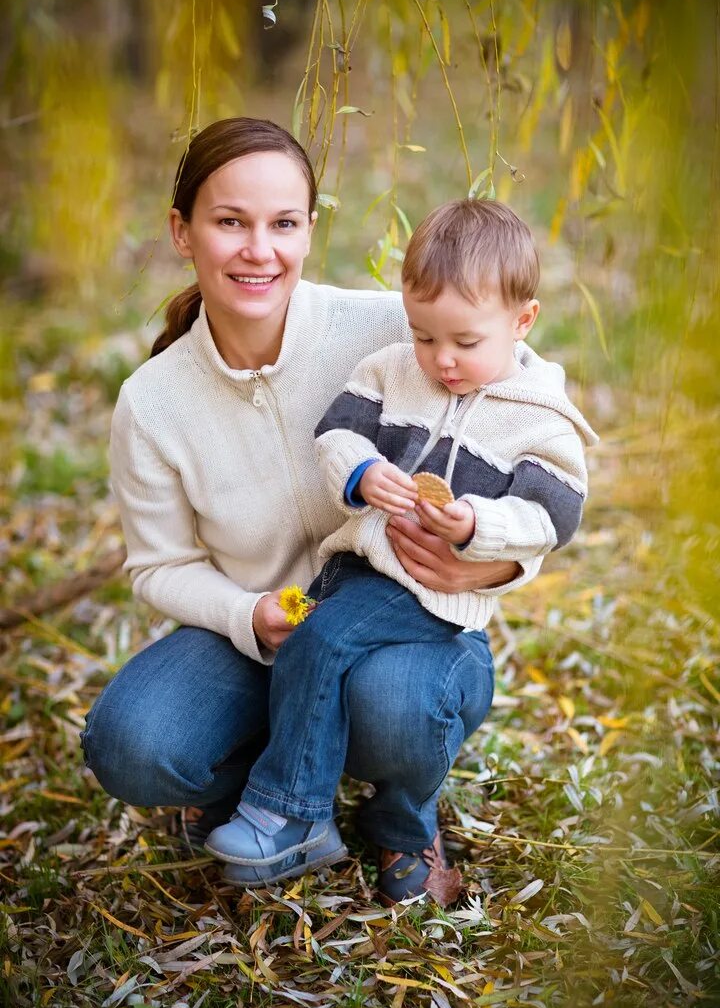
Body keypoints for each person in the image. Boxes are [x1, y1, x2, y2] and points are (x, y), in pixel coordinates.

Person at [81, 117, 543, 906]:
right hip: (263, 634)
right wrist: (247, 613)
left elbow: (521, 399)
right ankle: (269, 778)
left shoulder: (386, 328)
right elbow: (159, 565)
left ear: (308, 231)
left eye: (283, 224)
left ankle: (405, 814)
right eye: (229, 222)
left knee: (393, 709)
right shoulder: (153, 402)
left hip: (403, 622)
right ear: (182, 232)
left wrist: (498, 558)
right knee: (132, 744)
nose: (259, 250)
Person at [204, 199, 598, 903]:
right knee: (306, 637)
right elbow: (336, 433)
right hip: (358, 570)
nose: (441, 360)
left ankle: (292, 812)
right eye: (424, 337)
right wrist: (360, 473)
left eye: (465, 342)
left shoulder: (538, 416)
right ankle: (285, 789)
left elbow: (554, 515)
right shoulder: (392, 370)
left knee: (322, 642)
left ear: (523, 321)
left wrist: (478, 525)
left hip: (436, 599)